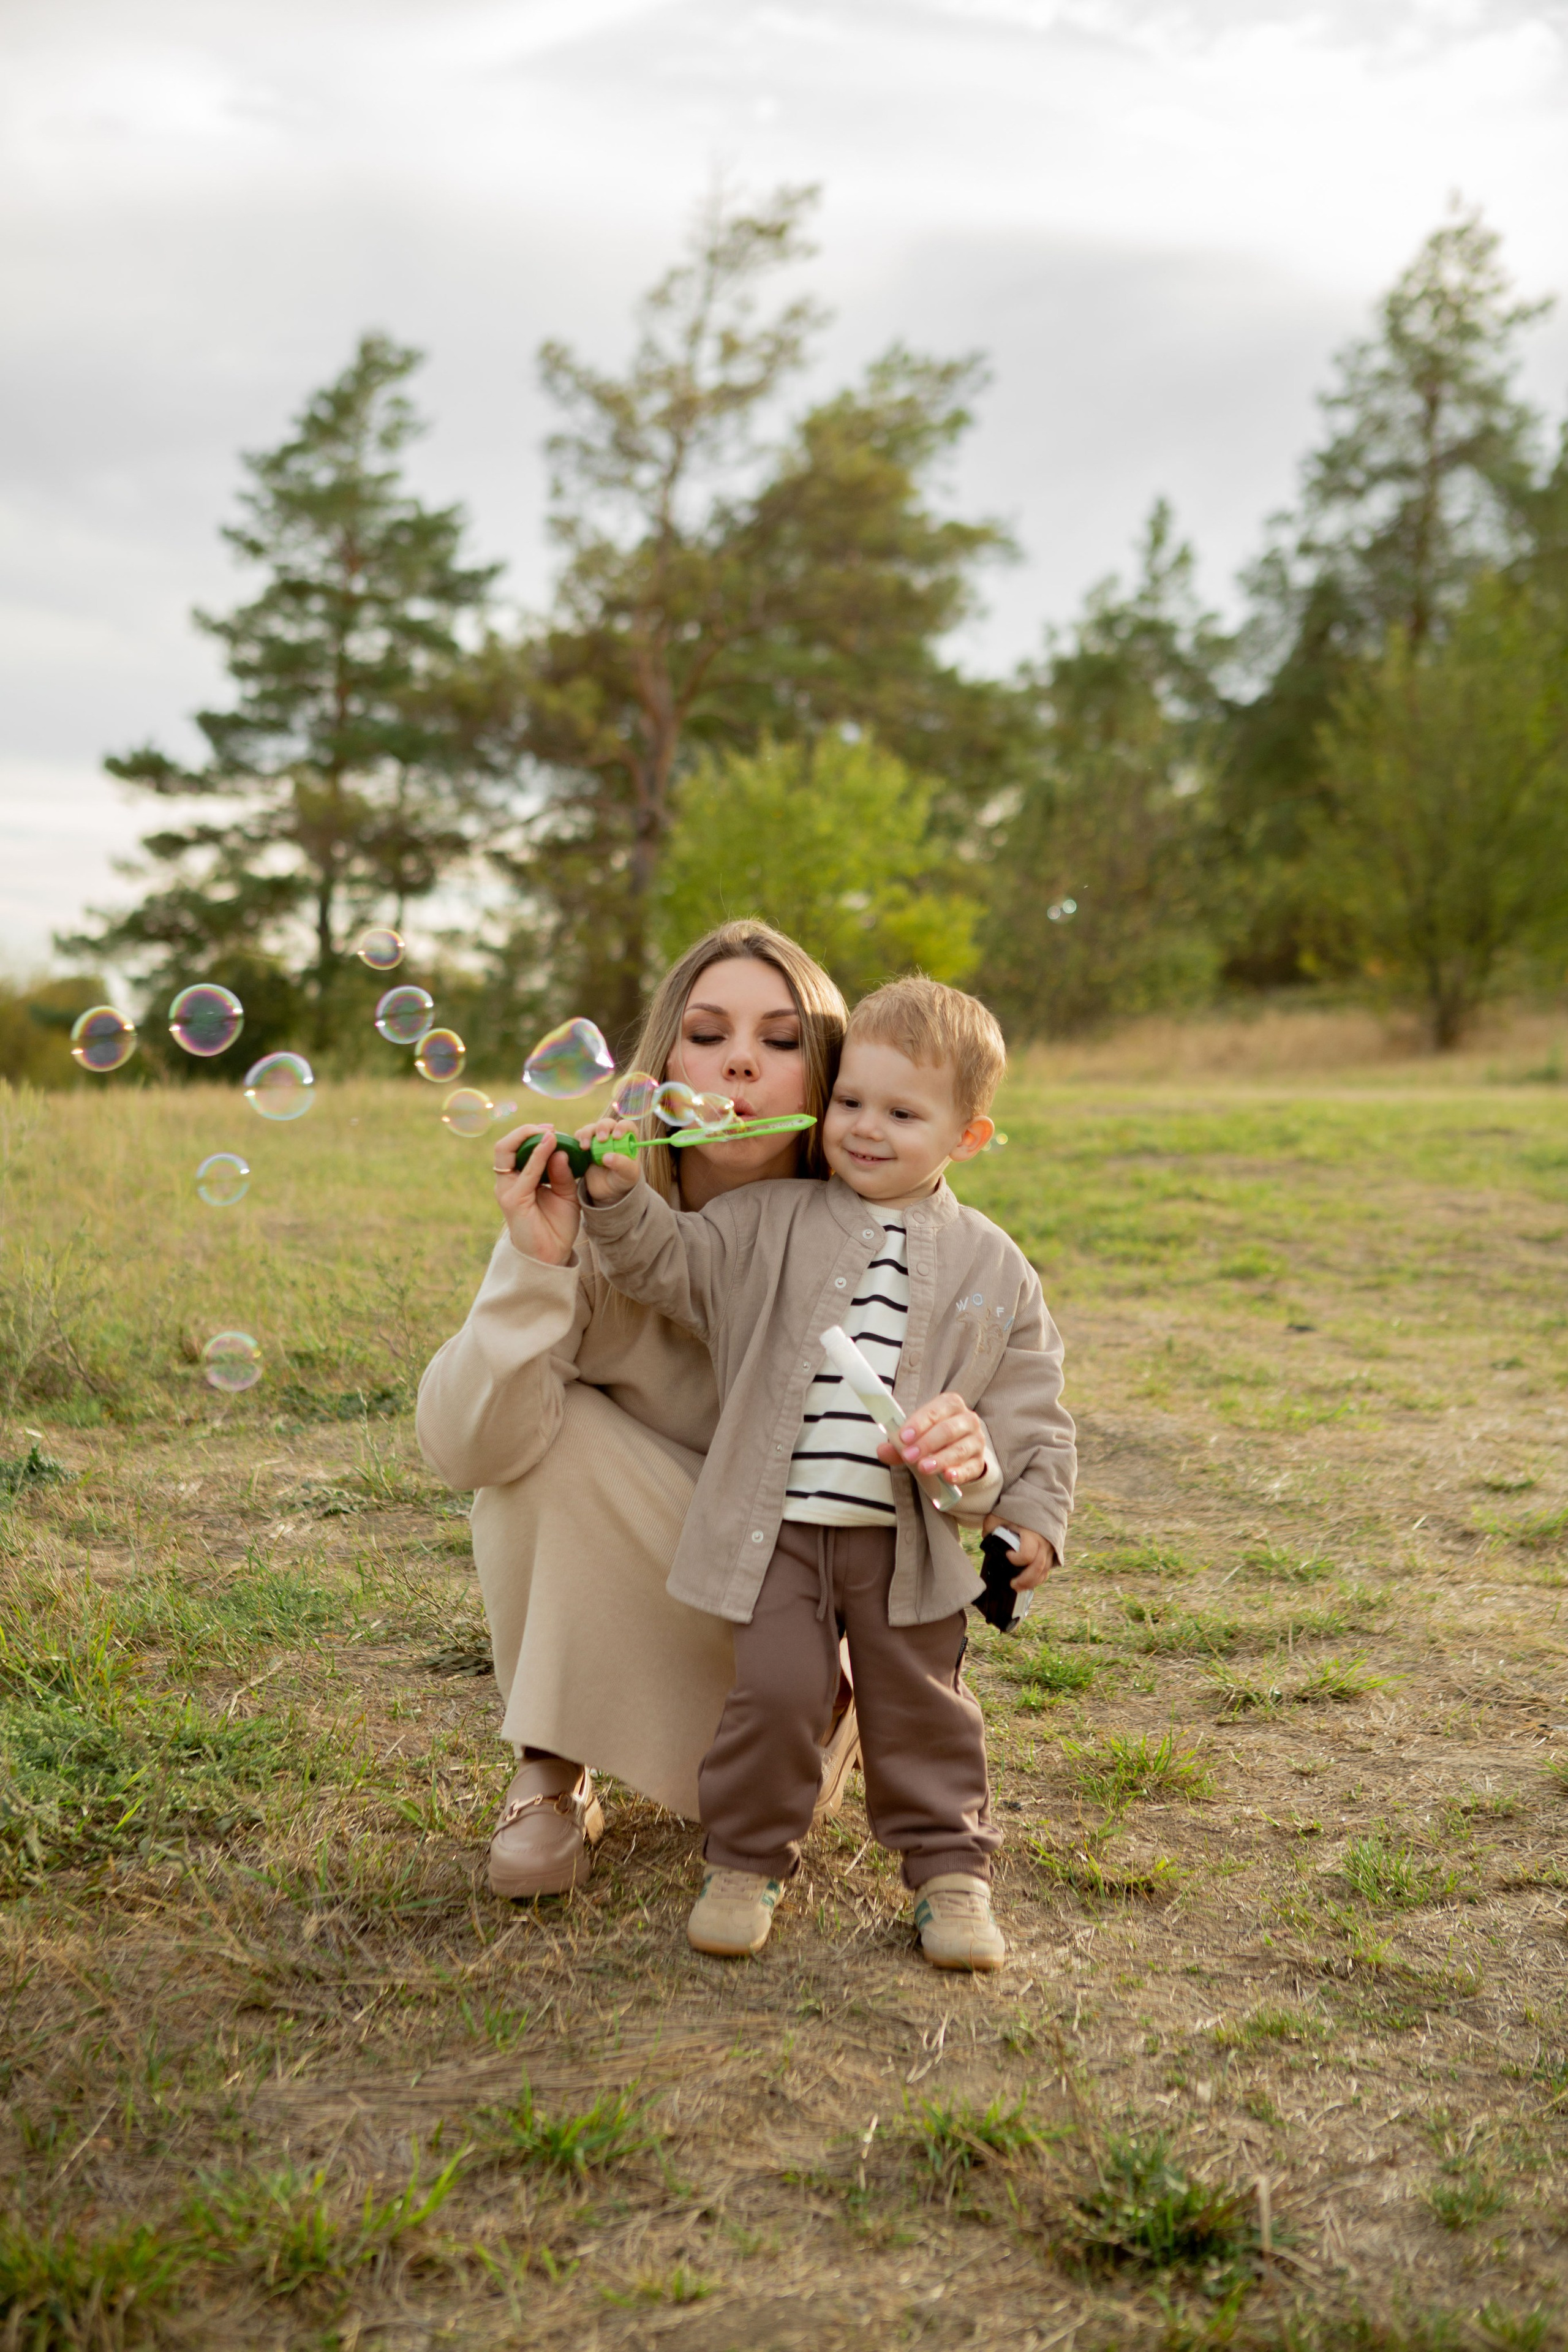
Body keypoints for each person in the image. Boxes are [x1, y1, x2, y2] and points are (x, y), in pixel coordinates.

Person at [416, 925, 1002, 1900]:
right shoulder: (603, 1210)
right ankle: (552, 1764)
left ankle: (823, 1728)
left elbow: (954, 1488)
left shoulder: (889, 1244)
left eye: (780, 1041)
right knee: (552, 1442)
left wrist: (964, 1447)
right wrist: (536, 1265)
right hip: (661, 1574)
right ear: (664, 1065)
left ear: (828, 1075)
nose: (740, 1060)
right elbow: (470, 1449)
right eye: (707, 1033)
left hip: (803, 1625)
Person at [577, 974, 1077, 1972]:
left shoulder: (993, 1265)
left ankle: (950, 1874)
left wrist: (1031, 1520)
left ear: (967, 1138)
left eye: (901, 1112)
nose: (864, 1127)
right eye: (849, 1101)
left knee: (924, 1705)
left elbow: (1032, 1407)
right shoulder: (771, 1220)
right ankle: (745, 1859)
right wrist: (615, 1195)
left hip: (911, 1548)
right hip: (782, 1539)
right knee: (773, 1694)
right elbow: (665, 1265)